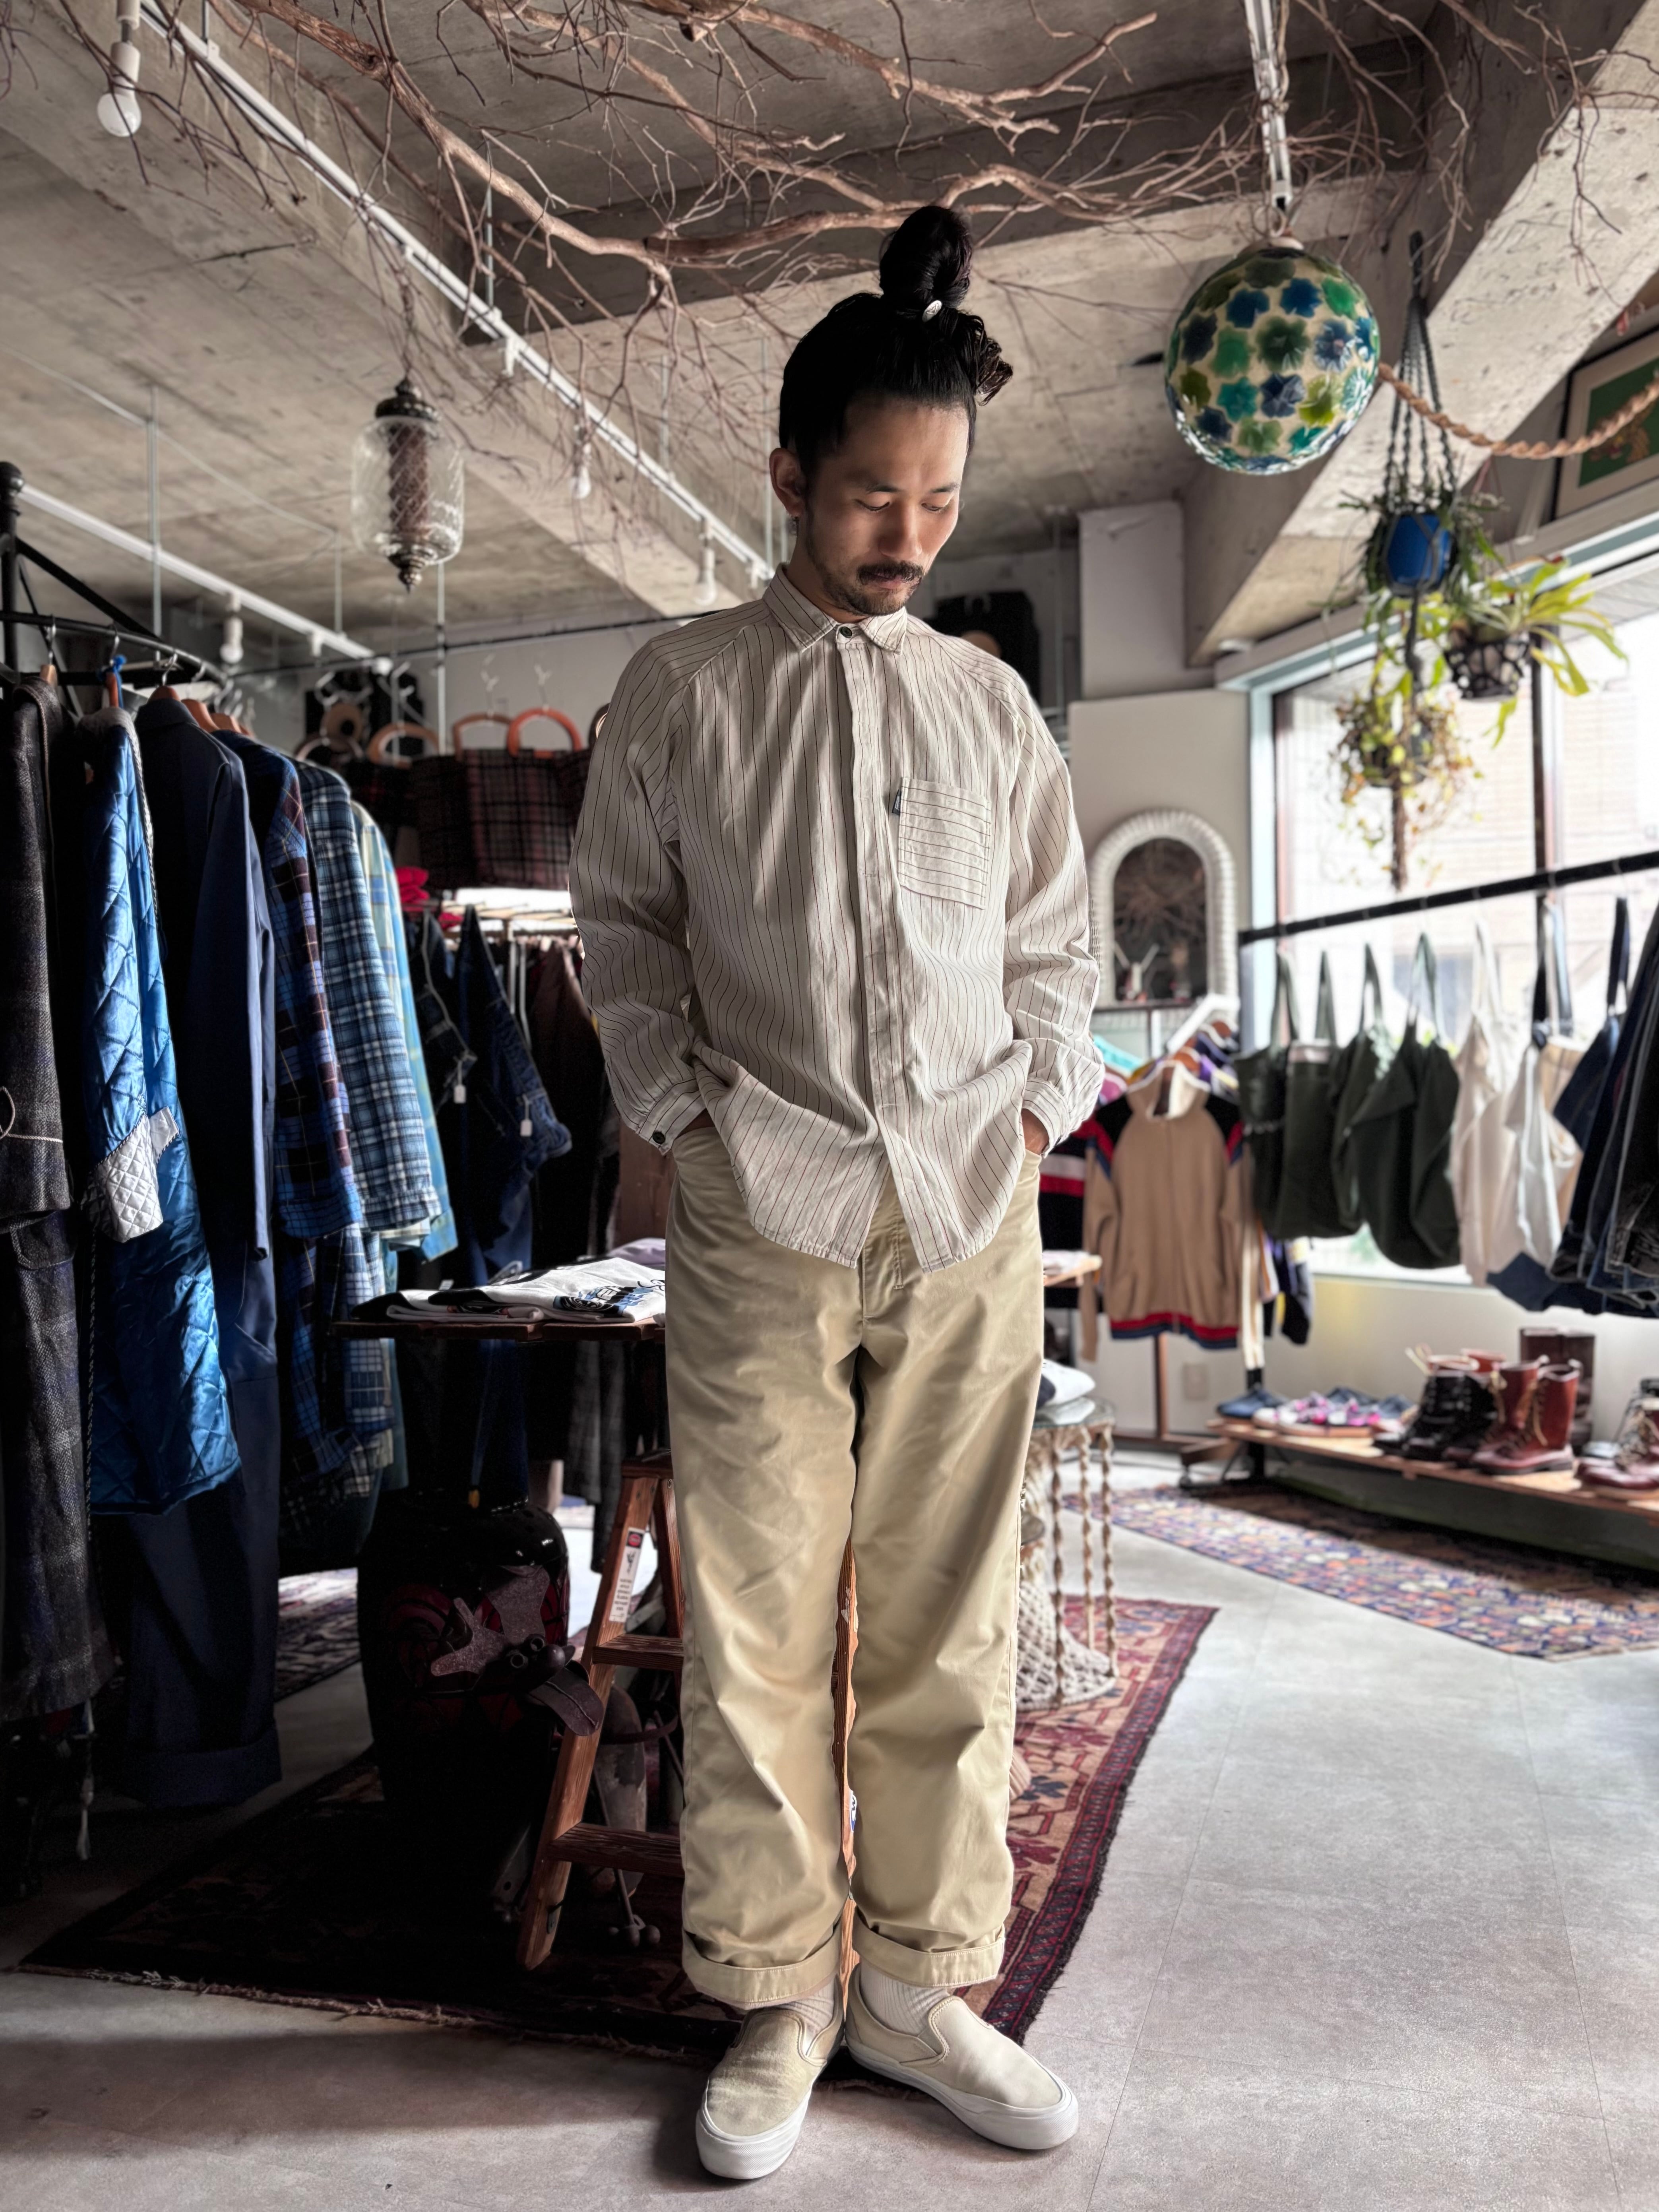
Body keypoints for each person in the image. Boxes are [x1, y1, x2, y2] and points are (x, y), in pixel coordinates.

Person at [571, 203, 1101, 2181]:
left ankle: (920, 1987)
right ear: (791, 475)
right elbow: (623, 938)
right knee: (760, 1615)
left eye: (940, 501)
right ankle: (781, 1992)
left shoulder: (987, 705)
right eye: (874, 494)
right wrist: (691, 1131)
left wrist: (1032, 1116)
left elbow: (1055, 950)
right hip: (762, 1208)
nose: (908, 533)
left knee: (957, 1613)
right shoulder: (685, 691)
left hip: (966, 1203)